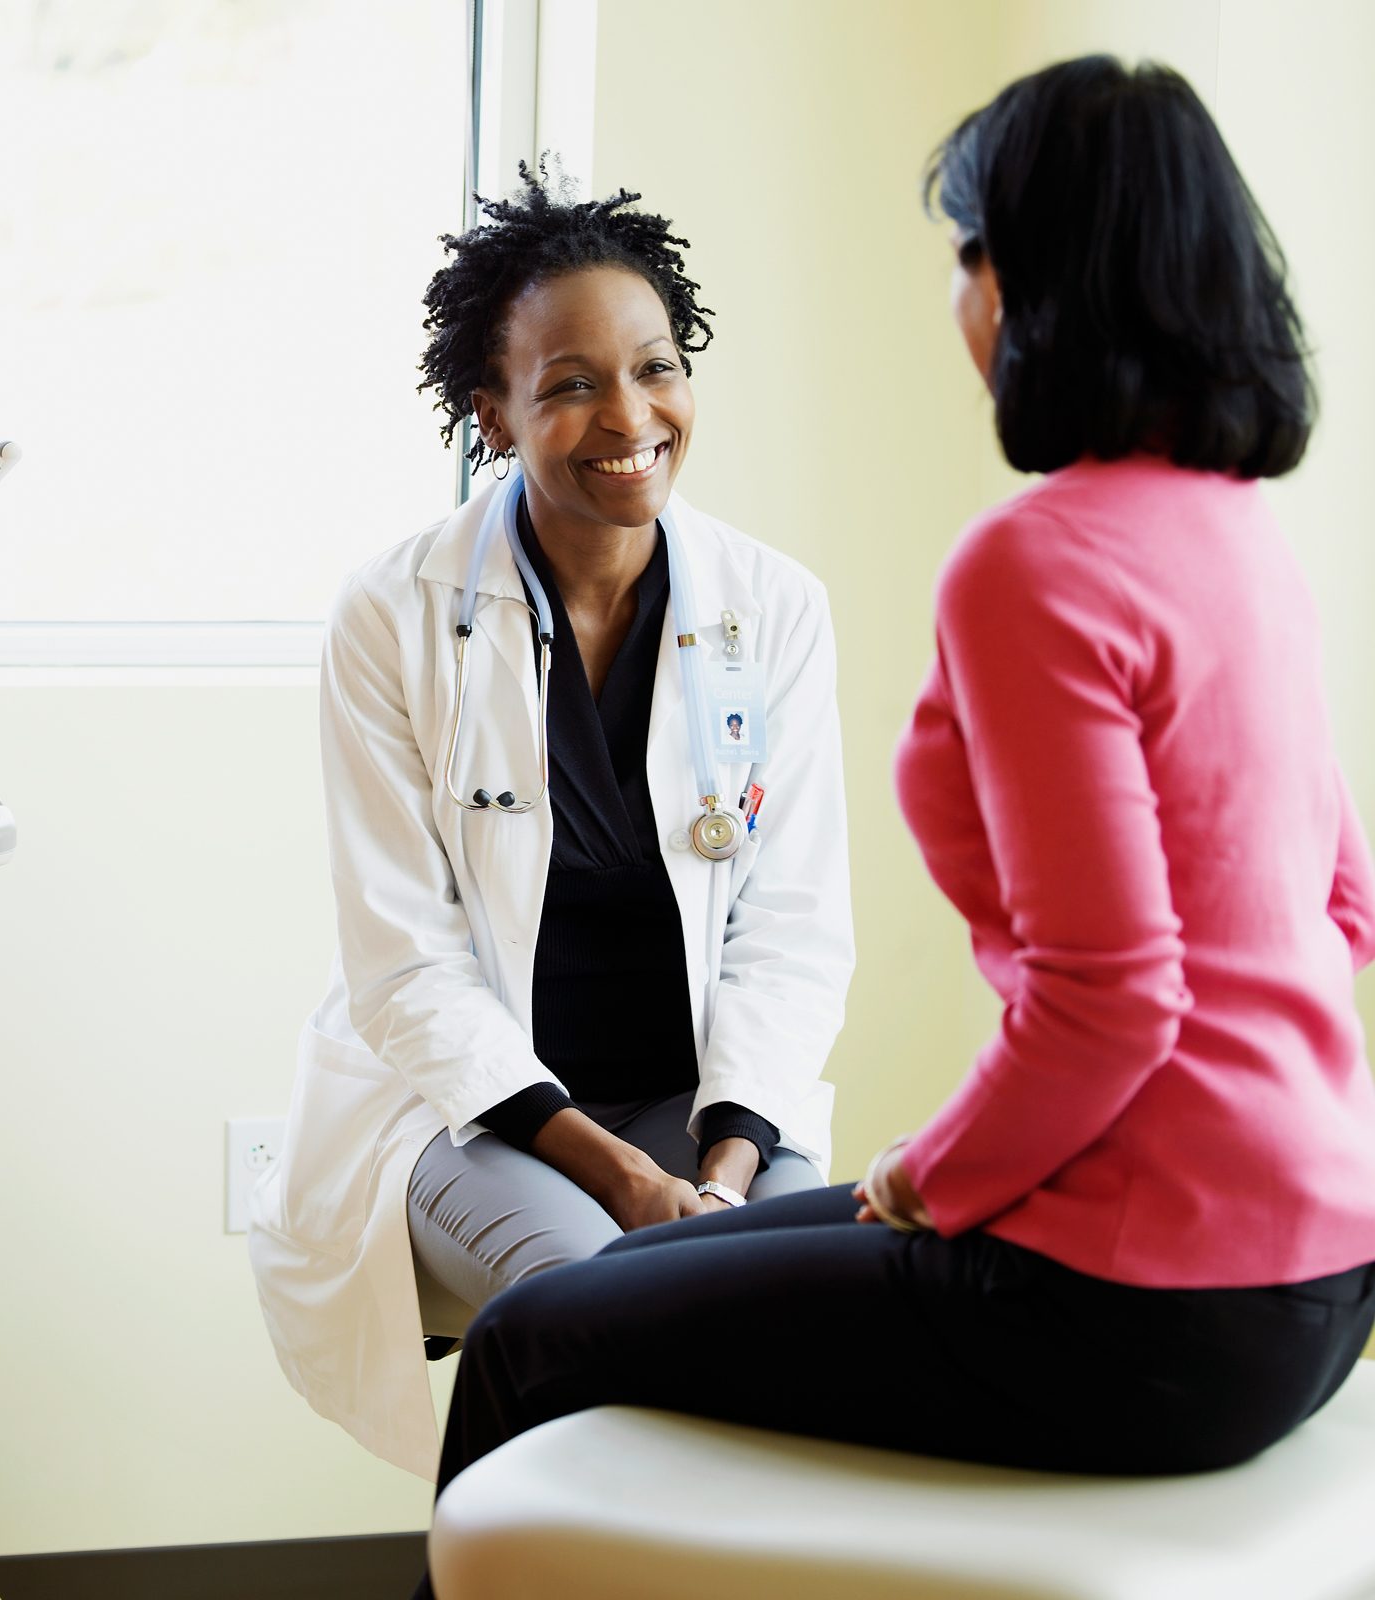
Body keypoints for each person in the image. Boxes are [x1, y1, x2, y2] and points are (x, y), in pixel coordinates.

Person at [415, 56, 1375, 1573]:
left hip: (1131, 1308)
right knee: (647, 1290)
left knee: (531, 1340)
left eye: (967, 251)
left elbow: (1114, 1003)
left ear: (1029, 283)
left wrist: (936, 1177)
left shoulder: (1037, 563)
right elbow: (1342, 914)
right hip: (1326, 1280)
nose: (958, 296)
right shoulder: (1244, 536)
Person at [249, 162, 854, 1477]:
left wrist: (724, 1174)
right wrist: (629, 1187)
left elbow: (795, 931)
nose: (629, 416)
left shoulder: (775, 607)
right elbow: (407, 967)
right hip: (477, 1112)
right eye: (571, 384)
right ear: (493, 410)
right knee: (590, 1314)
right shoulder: (393, 614)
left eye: (656, 367)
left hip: (714, 1111)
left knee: (806, 1331)